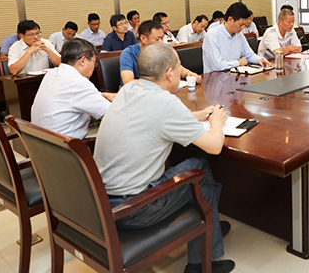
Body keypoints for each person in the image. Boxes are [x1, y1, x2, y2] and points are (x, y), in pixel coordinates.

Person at [94, 43, 235, 273]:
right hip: (133, 210)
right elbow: (215, 146)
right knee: (200, 170)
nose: (181, 71)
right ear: (169, 73)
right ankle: (201, 264)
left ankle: (211, 226)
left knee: (193, 169)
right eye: (179, 67)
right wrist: (216, 122)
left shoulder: (129, 90)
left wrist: (195, 115)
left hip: (102, 203)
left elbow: (154, 115)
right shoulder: (166, 103)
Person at [31, 38, 115, 139]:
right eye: (94, 63)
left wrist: (101, 95)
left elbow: (70, 97)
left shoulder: (52, 74)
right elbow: (112, 114)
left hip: (42, 143)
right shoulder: (79, 83)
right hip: (66, 146)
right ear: (83, 61)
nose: (94, 68)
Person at [120, 20, 201, 85]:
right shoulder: (129, 53)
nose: (161, 42)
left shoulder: (162, 50)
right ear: (143, 38)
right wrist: (157, 82)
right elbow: (128, 81)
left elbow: (176, 67)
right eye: (157, 39)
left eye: (162, 38)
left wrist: (188, 73)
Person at [203, 2, 272, 73]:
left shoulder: (239, 35)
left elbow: (249, 55)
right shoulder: (212, 35)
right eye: (241, 24)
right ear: (230, 19)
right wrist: (238, 63)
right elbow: (217, 66)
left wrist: (260, 59)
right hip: (216, 77)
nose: (242, 28)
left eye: (244, 25)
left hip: (235, 75)